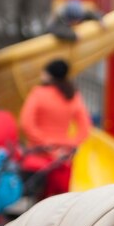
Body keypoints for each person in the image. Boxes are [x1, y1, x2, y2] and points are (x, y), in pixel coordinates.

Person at [20, 59, 91, 197]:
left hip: (38, 157)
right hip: (62, 160)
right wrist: (68, 145)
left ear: (48, 75)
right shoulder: (72, 95)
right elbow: (85, 129)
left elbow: (26, 123)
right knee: (58, 202)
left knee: (35, 202)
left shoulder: (39, 93)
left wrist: (45, 143)